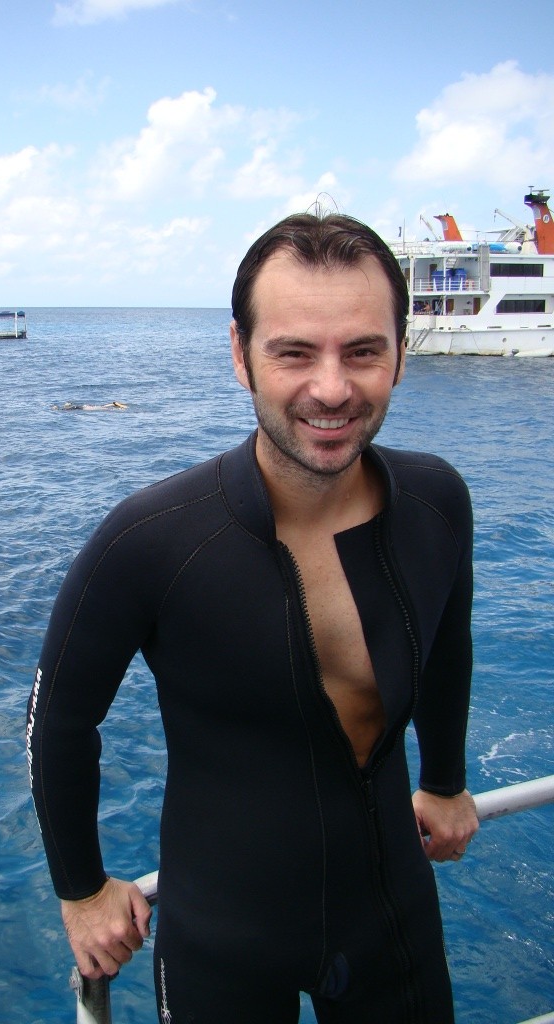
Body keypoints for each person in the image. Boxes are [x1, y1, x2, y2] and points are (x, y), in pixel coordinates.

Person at [26, 212, 479, 1023]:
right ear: (240, 355)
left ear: (402, 354)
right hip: (223, 939)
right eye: (294, 353)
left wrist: (445, 781)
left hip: (392, 918)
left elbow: (447, 643)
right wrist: (82, 889)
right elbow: (59, 721)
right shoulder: (152, 540)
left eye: (363, 351)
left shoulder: (437, 502)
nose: (332, 388)